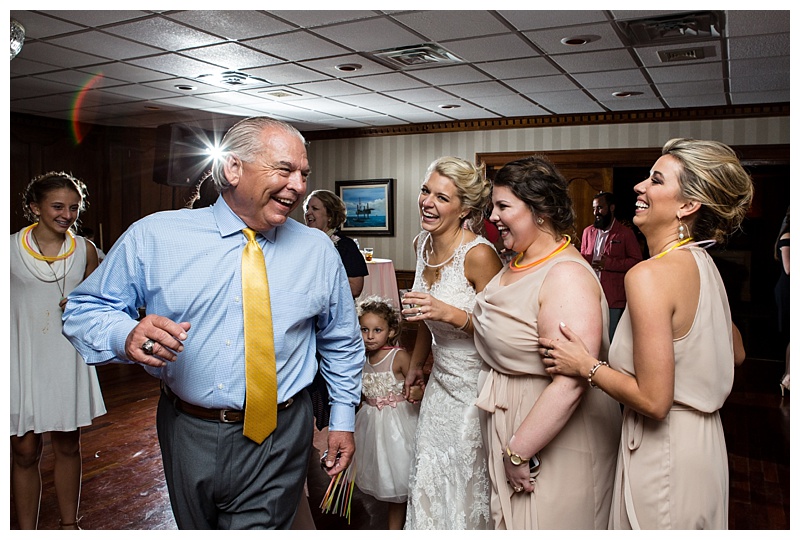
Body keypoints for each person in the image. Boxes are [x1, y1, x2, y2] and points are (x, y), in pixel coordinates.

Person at [61, 116, 365, 529]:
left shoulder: (318, 251)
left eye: (303, 174)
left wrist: (342, 420)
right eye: (284, 170)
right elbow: (83, 309)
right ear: (233, 168)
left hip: (281, 432)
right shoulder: (155, 236)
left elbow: (341, 340)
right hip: (188, 430)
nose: (298, 185)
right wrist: (124, 333)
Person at [539, 138, 754, 529]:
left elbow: (654, 402)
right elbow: (735, 352)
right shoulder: (703, 263)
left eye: (656, 180)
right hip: (705, 448)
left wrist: (586, 364)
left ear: (688, 206)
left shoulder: (649, 276)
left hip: (665, 452)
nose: (639, 187)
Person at [470, 156, 621, 530]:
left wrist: (520, 451)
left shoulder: (565, 275)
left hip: (554, 435)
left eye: (504, 206)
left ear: (540, 211)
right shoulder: (518, 261)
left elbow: (571, 382)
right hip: (513, 418)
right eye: (493, 207)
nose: (493, 218)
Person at [400, 156, 502, 530]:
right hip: (440, 385)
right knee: (428, 471)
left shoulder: (479, 255)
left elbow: (501, 332)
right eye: (426, 191)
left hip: (475, 386)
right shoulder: (421, 244)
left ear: (465, 209)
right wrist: (414, 365)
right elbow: (425, 322)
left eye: (442, 198)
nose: (428, 202)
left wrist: (450, 313)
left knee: (462, 477)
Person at [11, 171, 106, 530]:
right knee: (24, 450)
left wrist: (84, 303)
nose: (66, 214)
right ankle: (25, 531)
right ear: (34, 207)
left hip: (65, 355)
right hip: (20, 354)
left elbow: (103, 303)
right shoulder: (8, 248)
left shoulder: (86, 251)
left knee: (68, 443)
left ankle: (70, 527)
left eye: (73, 208)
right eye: (57, 206)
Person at [354, 296, 422, 530]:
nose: (369, 336)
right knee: (381, 474)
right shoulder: (359, 358)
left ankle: (398, 528)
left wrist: (415, 392)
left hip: (398, 426)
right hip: (372, 425)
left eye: (377, 330)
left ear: (391, 331)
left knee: (400, 479)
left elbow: (422, 386)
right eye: (364, 329)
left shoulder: (398, 357)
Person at [580, 191, 642, 340]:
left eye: (600, 208)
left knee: (611, 340)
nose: (596, 212)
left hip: (613, 299)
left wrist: (609, 264)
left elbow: (636, 261)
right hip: (589, 296)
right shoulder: (587, 232)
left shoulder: (625, 234)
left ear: (611, 208)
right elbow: (583, 258)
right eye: (594, 208)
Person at [304, 189, 369, 298]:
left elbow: (355, 289)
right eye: (307, 208)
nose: (308, 213)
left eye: (314, 208)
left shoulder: (346, 246)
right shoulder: (301, 243)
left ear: (330, 216)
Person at [774, 207, 790, 394]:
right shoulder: (787, 236)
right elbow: (788, 268)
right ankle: (788, 378)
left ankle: (787, 378)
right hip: (787, 288)